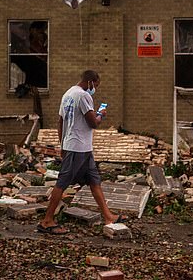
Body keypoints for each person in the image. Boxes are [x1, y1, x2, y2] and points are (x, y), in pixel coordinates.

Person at [37, 70, 127, 234]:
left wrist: (62, 144)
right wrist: (101, 114)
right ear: (91, 82)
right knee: (62, 183)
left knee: (94, 180)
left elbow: (61, 122)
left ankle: (108, 216)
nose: (95, 89)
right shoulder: (84, 96)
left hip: (81, 147)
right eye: (96, 85)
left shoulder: (68, 94)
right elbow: (93, 123)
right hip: (77, 148)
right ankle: (47, 220)